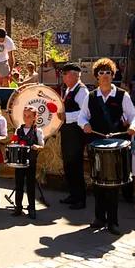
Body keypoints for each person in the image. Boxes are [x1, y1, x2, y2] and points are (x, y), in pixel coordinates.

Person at [78, 58, 135, 235]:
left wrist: (133, 126)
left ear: (113, 75)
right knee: (97, 182)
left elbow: (133, 115)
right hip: (96, 144)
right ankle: (99, 218)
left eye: (108, 73)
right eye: (101, 73)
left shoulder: (122, 95)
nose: (104, 76)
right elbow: (82, 117)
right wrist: (85, 125)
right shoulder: (90, 97)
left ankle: (113, 221)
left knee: (112, 184)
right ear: (96, 76)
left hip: (116, 145)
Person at [57, 62, 88, 210]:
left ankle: (80, 199)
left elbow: (85, 113)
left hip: (76, 132)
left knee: (75, 165)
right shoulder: (69, 89)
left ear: (73, 75)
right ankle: (73, 194)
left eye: (65, 74)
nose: (63, 77)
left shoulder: (82, 91)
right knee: (68, 164)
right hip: (68, 131)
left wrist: (66, 116)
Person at [13, 105, 44, 218]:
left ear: (35, 118)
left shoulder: (38, 131)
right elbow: (14, 142)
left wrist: (37, 147)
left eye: (29, 116)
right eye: (24, 116)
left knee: (30, 185)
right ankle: (18, 207)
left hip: (31, 161)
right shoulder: (19, 129)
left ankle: (31, 208)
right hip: (20, 161)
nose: (26, 118)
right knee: (19, 184)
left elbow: (42, 145)